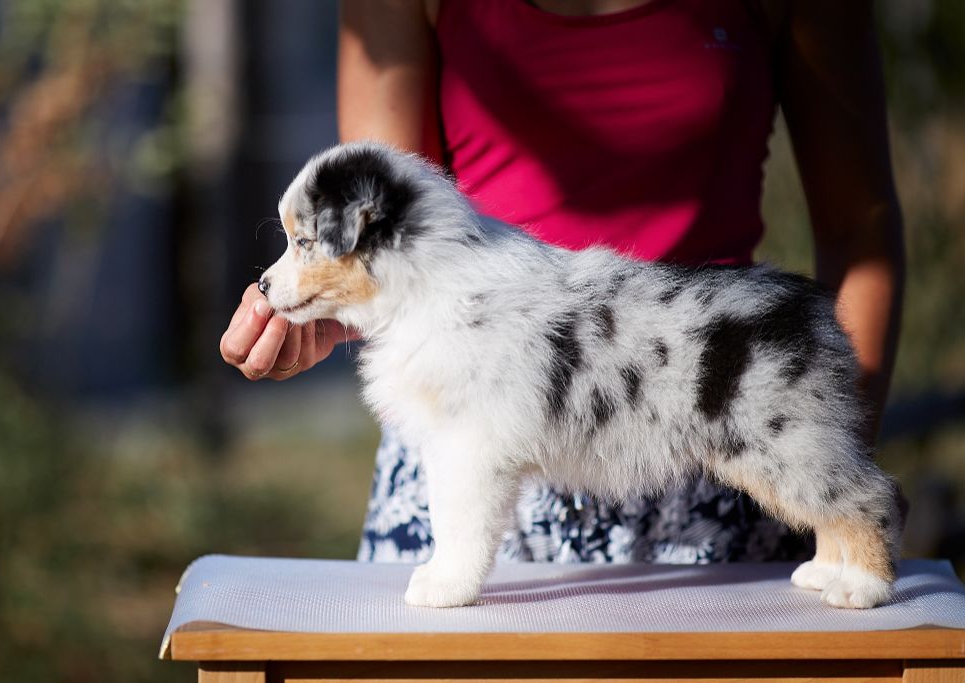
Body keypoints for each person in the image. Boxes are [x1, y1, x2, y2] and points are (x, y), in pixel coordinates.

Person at [220, 0, 904, 564]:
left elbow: (859, 229)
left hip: (709, 425)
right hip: (463, 440)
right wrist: (316, 322)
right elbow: (380, 251)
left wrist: (832, 466)